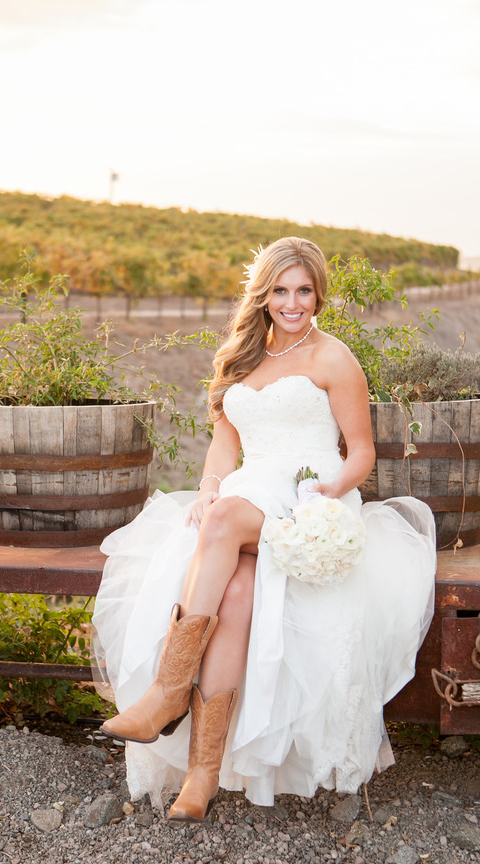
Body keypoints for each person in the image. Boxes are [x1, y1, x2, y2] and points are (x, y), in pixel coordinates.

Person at [91, 236, 436, 822]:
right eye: (280, 290)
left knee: (225, 520)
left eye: (303, 290)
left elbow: (361, 452)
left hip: (309, 489)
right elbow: (224, 449)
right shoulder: (240, 357)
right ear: (263, 294)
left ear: (318, 292)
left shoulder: (333, 357)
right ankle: (201, 775)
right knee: (238, 590)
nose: (292, 302)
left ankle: (167, 693)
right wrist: (205, 490)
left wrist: (329, 494)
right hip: (249, 491)